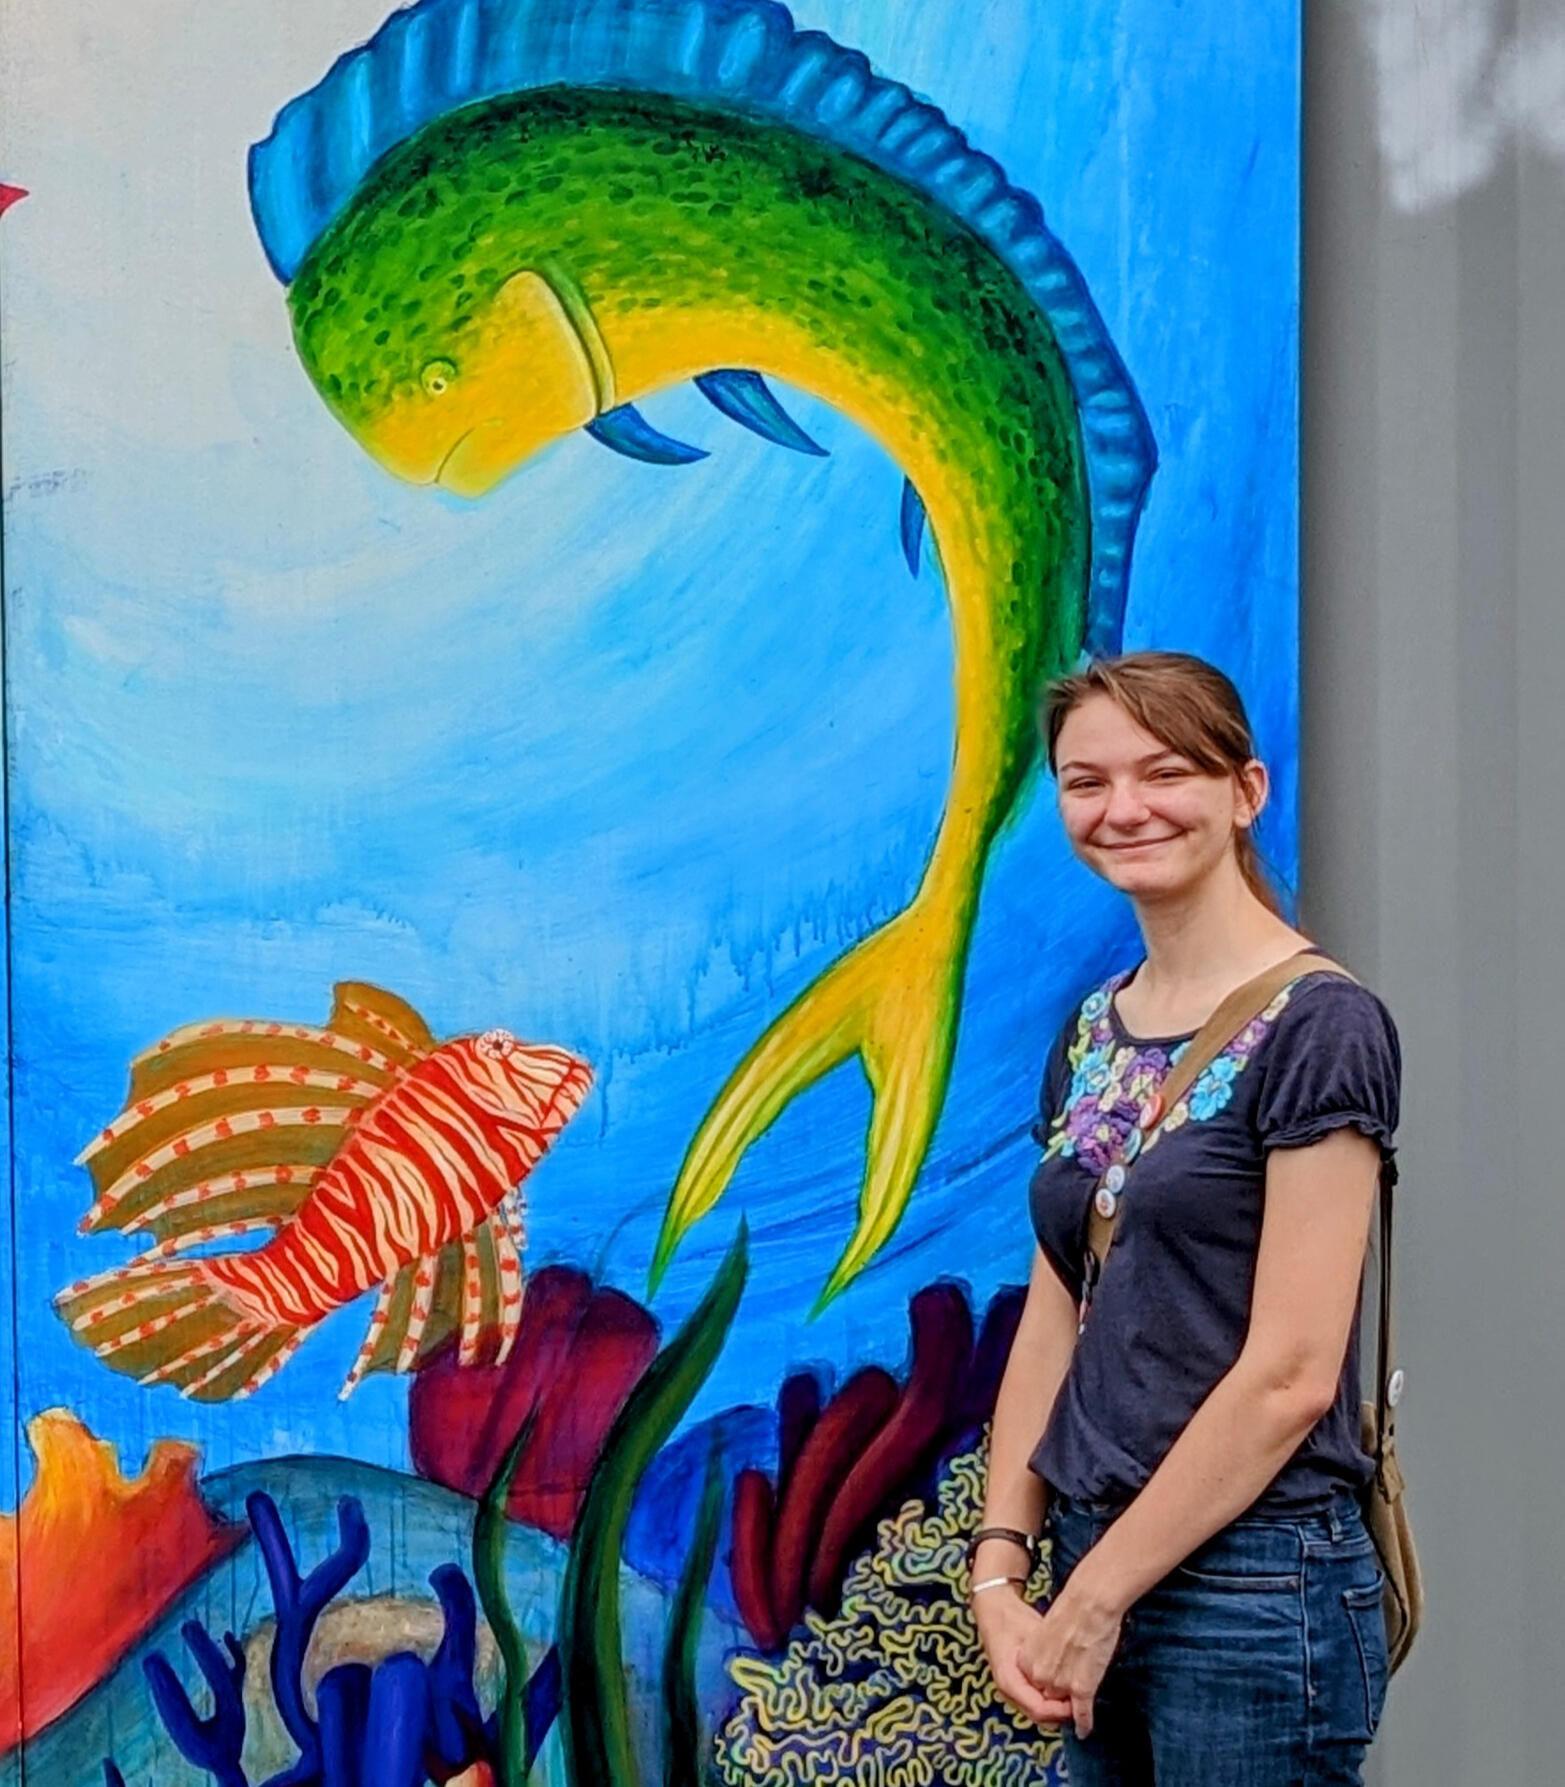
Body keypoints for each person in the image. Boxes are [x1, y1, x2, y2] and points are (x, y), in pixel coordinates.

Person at [971, 651, 1400, 1786]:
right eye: (1083, 780)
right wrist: (1001, 1568)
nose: (1123, 808)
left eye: (1163, 771)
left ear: (1243, 791)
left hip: (1254, 1588)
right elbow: (1053, 1318)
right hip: (1090, 1560)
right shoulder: (1089, 1029)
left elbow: (1292, 1372)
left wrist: (1094, 1594)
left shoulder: (1323, 1024)